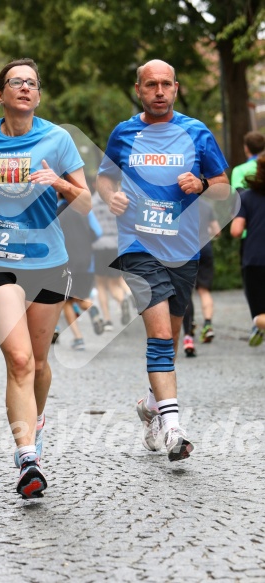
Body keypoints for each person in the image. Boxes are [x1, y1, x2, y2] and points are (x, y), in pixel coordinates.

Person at [0, 58, 91, 498]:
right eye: (15, 82)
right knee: (17, 360)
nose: (24, 88)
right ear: (0, 94)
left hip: (48, 259)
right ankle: (28, 458)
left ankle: (35, 418)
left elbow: (87, 202)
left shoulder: (58, 139)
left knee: (37, 363)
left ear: (38, 94)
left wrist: (60, 182)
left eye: (32, 83)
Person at [97, 59, 229, 462]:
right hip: (138, 245)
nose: (158, 90)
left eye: (165, 84)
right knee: (158, 335)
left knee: (170, 337)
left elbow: (224, 188)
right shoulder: (125, 133)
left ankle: (152, 409)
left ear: (176, 88)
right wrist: (110, 196)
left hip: (183, 246)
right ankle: (174, 429)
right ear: (138, 89)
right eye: (150, 84)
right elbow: (105, 176)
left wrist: (204, 183)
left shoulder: (196, 132)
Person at [56, 191, 103, 350]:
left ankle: (78, 338)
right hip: (87, 261)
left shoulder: (55, 211)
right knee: (79, 296)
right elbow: (98, 233)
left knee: (66, 301)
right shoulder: (85, 210)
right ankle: (91, 308)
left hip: (66, 262)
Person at [231, 151, 265, 347]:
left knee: (258, 314)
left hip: (255, 259)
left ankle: (258, 325)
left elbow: (236, 230)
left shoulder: (247, 197)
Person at [182, 198, 221, 356]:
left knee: (187, 292)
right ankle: (207, 325)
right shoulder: (206, 205)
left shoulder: (180, 205)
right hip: (205, 249)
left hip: (186, 250)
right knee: (204, 290)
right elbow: (217, 231)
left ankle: (188, 333)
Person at [91, 187, 131, 331]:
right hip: (116, 244)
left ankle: (107, 320)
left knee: (101, 284)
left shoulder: (91, 202)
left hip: (98, 246)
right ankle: (123, 298)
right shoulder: (118, 201)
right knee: (115, 281)